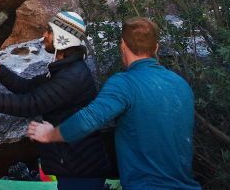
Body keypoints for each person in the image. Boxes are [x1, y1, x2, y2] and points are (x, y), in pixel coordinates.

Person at [27, 17, 201, 190]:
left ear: (122, 45)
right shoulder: (181, 84)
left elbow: (88, 120)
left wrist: (50, 134)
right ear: (156, 47)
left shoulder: (125, 84)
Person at [0, 11, 112, 190]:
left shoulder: (71, 77)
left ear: (62, 38)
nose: (44, 35)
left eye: (49, 31)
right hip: (75, 163)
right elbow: (27, 87)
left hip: (81, 168)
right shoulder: (65, 68)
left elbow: (29, 104)